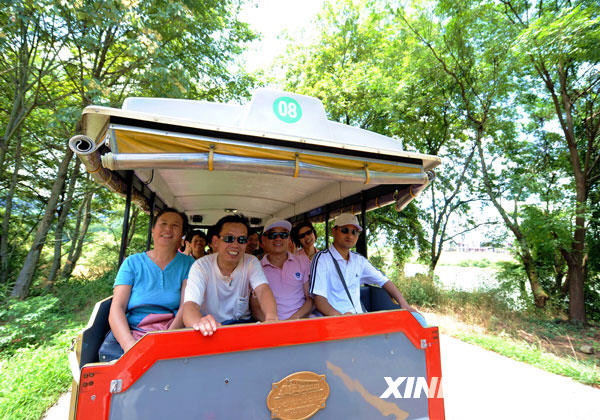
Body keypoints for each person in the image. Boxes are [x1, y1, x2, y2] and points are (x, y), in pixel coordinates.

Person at [108, 208, 195, 353]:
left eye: (175, 226)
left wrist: (166, 340)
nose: (168, 229)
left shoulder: (189, 264)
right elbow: (117, 308)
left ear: (182, 235)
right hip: (134, 332)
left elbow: (185, 307)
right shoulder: (132, 262)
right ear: (153, 230)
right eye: (163, 223)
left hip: (172, 331)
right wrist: (130, 345)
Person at [310, 213, 421, 321]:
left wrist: (404, 304)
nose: (350, 235)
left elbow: (384, 280)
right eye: (345, 230)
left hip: (359, 320)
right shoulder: (322, 259)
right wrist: (340, 318)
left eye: (354, 232)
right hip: (336, 323)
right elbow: (319, 300)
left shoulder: (359, 260)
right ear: (334, 231)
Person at [183, 214, 278, 336]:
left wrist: (271, 317)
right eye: (229, 238)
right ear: (215, 242)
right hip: (212, 328)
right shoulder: (201, 266)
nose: (235, 244)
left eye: (242, 240)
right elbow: (190, 305)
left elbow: (263, 290)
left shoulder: (251, 262)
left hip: (243, 325)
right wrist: (199, 322)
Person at [251, 218, 312, 321]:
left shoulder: (303, 261)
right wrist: (273, 325)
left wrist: (292, 321)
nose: (278, 239)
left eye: (283, 235)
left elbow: (310, 300)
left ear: (289, 239)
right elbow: (255, 306)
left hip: (300, 322)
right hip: (270, 326)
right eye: (272, 235)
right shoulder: (256, 269)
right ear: (263, 240)